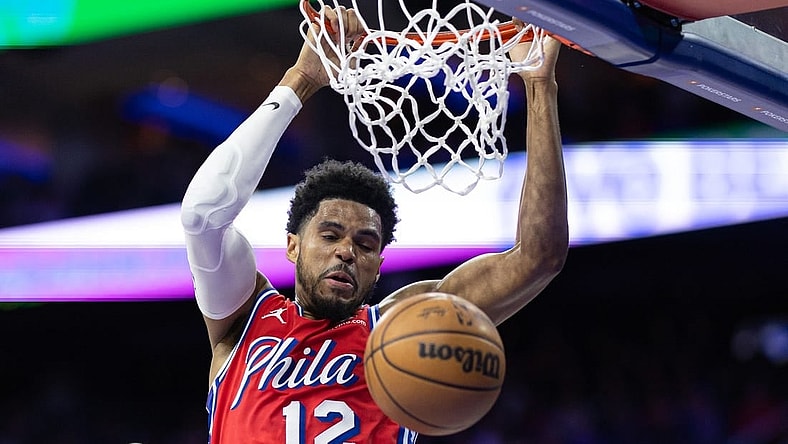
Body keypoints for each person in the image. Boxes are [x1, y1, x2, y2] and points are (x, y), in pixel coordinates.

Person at [180, 7, 567, 444]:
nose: (347, 251)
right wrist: (301, 80)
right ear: (292, 245)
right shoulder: (246, 320)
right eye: (330, 235)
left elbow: (538, 257)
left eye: (365, 244)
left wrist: (539, 86)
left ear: (379, 265)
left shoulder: (404, 325)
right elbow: (202, 215)